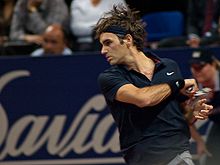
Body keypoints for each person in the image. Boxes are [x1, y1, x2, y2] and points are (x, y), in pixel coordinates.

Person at [94, 5, 213, 165]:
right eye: (102, 44)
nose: (103, 50)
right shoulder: (109, 77)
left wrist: (193, 111)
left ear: (128, 40)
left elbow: (182, 117)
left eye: (108, 43)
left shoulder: (169, 66)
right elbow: (143, 99)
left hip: (176, 155)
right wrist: (179, 83)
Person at [189, 48, 220, 165]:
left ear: (212, 65)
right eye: (192, 67)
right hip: (217, 123)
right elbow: (187, 119)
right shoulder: (194, 88)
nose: (196, 71)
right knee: (212, 159)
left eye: (199, 67)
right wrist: (199, 141)